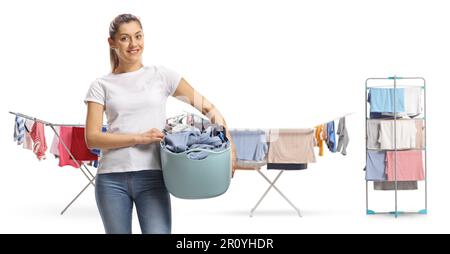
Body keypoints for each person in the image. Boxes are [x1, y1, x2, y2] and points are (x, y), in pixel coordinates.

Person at [84, 13, 236, 234]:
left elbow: (207, 108)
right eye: (125, 38)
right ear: (112, 42)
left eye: (138, 36)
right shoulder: (101, 86)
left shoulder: (161, 76)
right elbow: (92, 138)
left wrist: (230, 149)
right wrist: (139, 138)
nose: (134, 44)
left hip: (153, 177)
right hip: (111, 179)